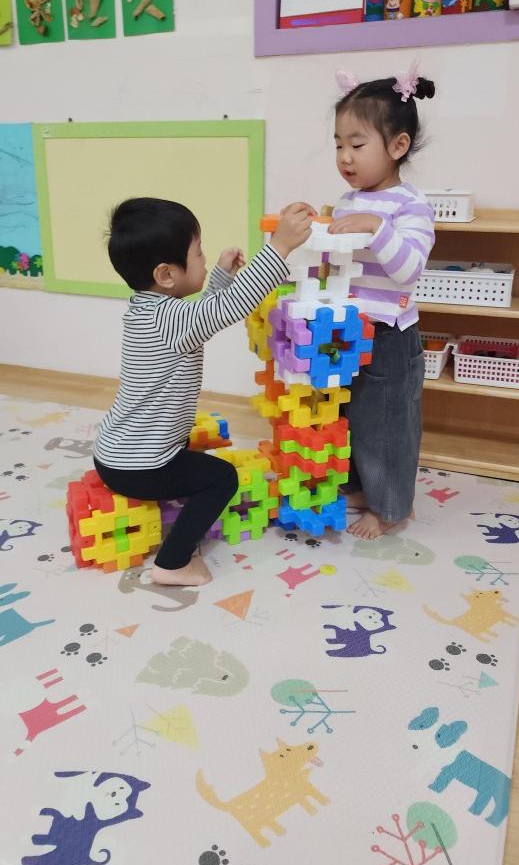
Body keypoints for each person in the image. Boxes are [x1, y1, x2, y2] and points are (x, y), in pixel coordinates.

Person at [93, 196, 313, 586]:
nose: (203, 258)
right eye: (197, 253)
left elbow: (205, 313)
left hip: (115, 453)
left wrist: (221, 277)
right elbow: (228, 308)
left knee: (193, 455)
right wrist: (279, 246)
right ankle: (173, 563)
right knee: (222, 478)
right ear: (166, 274)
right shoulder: (172, 320)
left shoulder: (150, 311)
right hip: (140, 467)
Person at [327, 62, 436, 540]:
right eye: (338, 145)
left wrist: (378, 228)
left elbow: (408, 268)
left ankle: (391, 507)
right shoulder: (348, 201)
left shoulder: (411, 205)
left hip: (389, 335)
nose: (344, 157)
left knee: (387, 422)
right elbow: (336, 264)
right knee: (348, 415)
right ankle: (361, 487)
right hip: (347, 329)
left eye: (357, 145)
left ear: (397, 146)